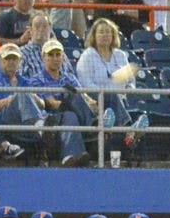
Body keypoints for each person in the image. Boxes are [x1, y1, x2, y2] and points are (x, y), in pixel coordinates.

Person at [32, 38, 133, 167]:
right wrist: (72, 100)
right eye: (50, 55)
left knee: (108, 95)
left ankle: (128, 130)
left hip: (78, 112)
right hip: (54, 116)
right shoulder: (37, 80)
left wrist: (92, 104)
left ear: (63, 57)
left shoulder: (69, 77)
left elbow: (84, 96)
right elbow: (50, 103)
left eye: (58, 55)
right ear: (43, 57)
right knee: (71, 101)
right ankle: (96, 125)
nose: (55, 58)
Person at [19, 13, 75, 79]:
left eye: (44, 26)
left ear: (50, 29)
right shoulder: (22, 53)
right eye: (37, 26)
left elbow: (71, 76)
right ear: (30, 30)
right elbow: (19, 80)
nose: (41, 29)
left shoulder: (59, 52)